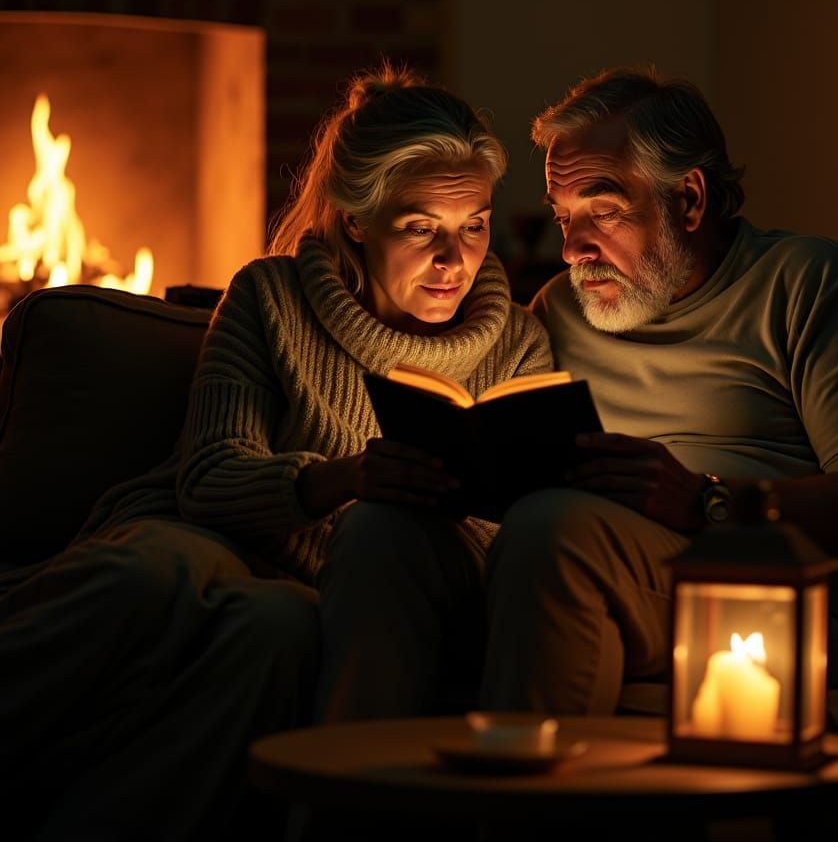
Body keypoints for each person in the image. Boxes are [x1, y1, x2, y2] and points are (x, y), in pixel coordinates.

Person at [0, 62, 552, 840]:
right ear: (356, 221)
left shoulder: (520, 346)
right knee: (149, 573)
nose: (454, 259)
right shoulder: (271, 297)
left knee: (274, 636)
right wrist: (344, 478)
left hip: (316, 588)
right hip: (202, 533)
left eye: (474, 226)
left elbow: (506, 540)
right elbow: (207, 479)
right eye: (420, 227)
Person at [476, 65, 838, 714]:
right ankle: (359, 773)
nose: (573, 249)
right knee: (385, 538)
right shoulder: (560, 309)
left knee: (550, 531)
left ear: (689, 200)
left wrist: (707, 500)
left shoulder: (811, 284)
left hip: (749, 591)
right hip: (575, 565)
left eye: (603, 212)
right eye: (562, 216)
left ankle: (521, 773)